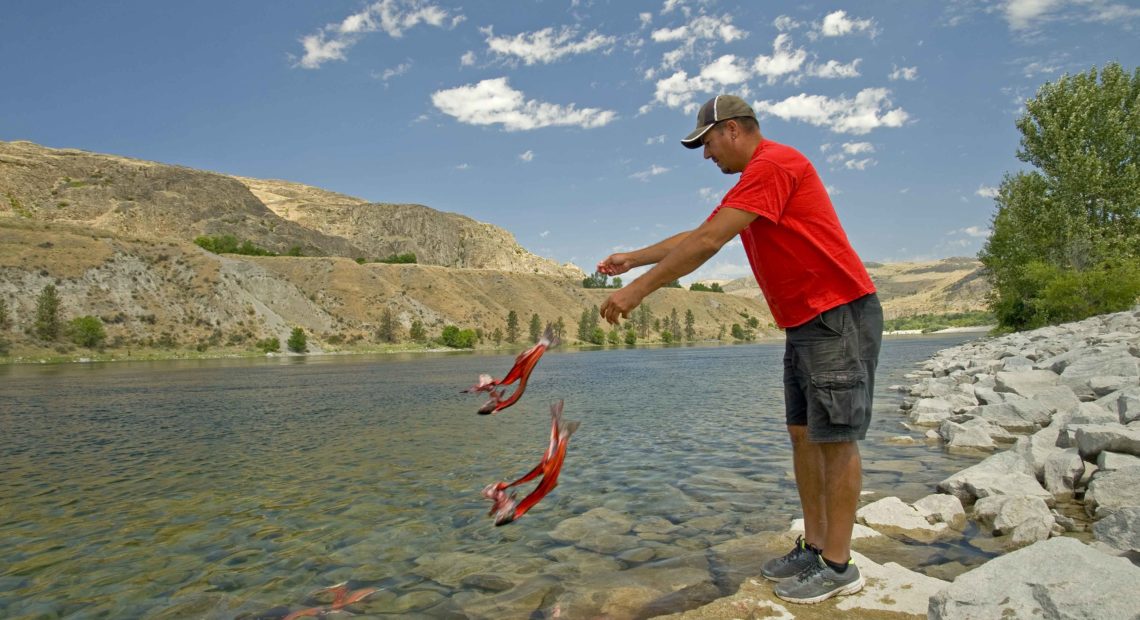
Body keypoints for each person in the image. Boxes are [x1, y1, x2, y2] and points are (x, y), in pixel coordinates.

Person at [597, 94, 882, 605]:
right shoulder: (756, 179)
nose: (706, 156)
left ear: (731, 129)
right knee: (803, 434)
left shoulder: (774, 163)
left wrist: (638, 289)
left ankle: (839, 565)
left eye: (705, 143)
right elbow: (702, 233)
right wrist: (632, 258)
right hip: (804, 323)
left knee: (836, 438)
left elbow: (708, 243)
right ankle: (814, 545)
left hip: (837, 313)